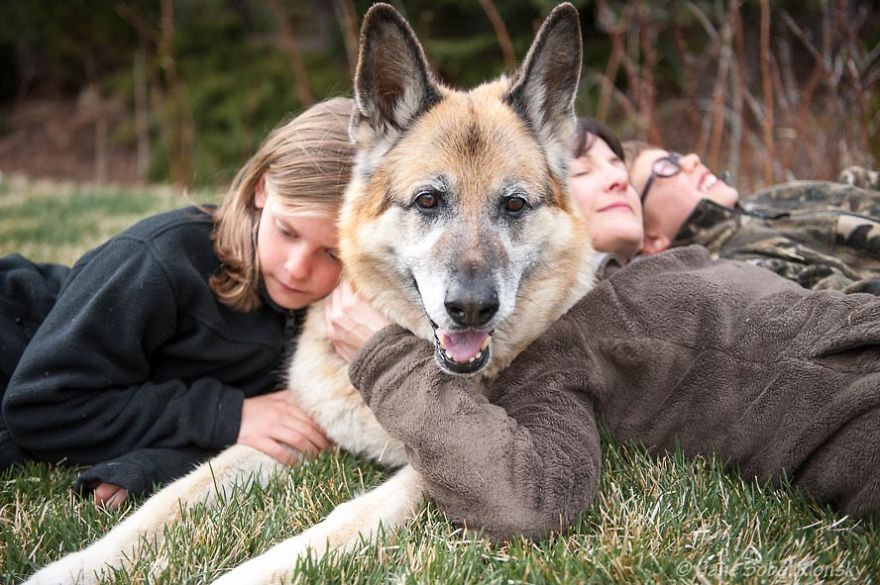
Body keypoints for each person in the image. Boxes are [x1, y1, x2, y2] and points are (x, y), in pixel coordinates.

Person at [325, 121, 880, 541]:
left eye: (621, 165)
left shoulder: (683, 262)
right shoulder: (565, 347)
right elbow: (525, 497)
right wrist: (385, 357)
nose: (614, 175)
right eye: (582, 168)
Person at [1, 97, 354, 508]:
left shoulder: (325, 312)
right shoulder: (161, 260)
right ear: (261, 189)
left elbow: (270, 427)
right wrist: (229, 414)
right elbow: (39, 408)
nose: (297, 269)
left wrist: (154, 466)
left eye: (332, 253)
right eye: (287, 232)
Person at [625, 141, 880, 293]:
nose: (691, 160)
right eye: (666, 168)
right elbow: (847, 304)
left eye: (677, 156)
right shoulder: (734, 274)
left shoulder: (768, 198)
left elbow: (856, 186)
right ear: (651, 239)